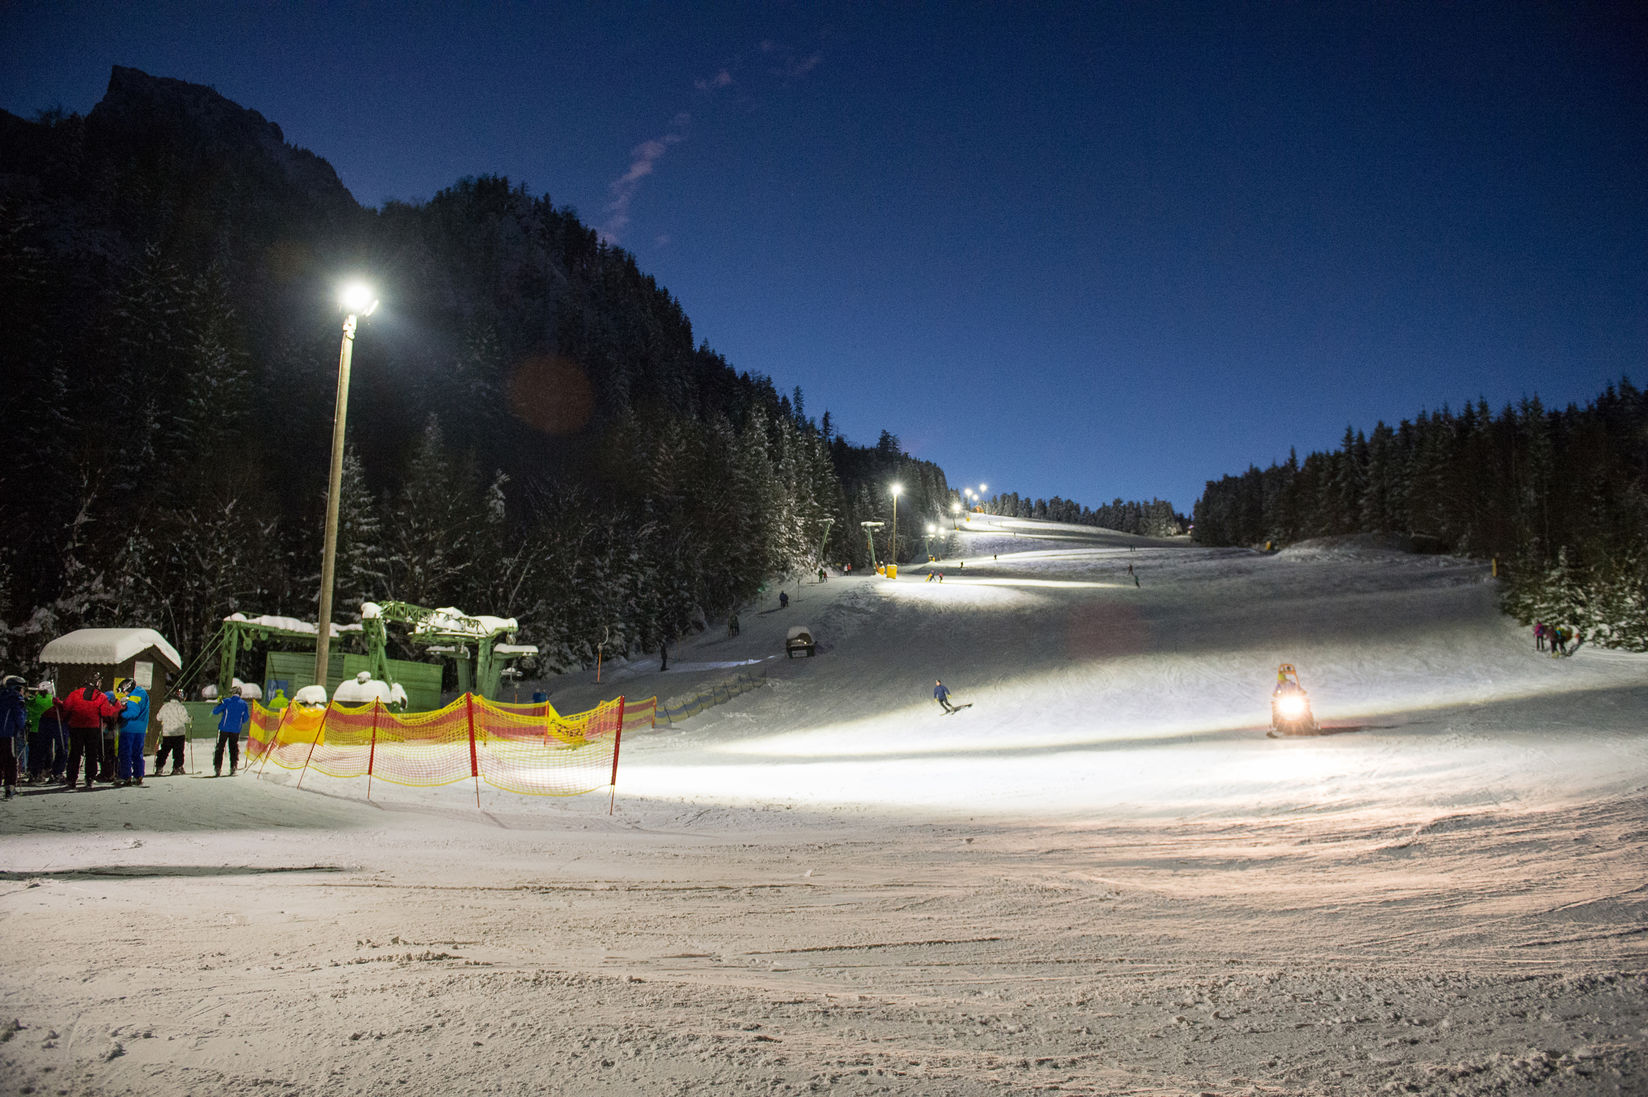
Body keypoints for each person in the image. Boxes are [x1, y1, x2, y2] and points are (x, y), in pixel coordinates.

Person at [60, 675, 117, 788]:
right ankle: (90, 777)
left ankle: (71, 778)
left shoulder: (75, 693)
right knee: (91, 753)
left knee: (75, 753)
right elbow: (105, 712)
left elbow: (66, 707)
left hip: (76, 726)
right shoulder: (100, 696)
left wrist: (66, 719)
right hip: (93, 727)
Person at [114, 677, 151, 787]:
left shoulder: (134, 697)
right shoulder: (142, 694)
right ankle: (138, 775)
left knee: (125, 753)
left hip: (129, 728)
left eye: (124, 690)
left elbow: (133, 712)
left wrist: (121, 715)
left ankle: (125, 776)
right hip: (140, 729)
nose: (124, 693)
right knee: (137, 753)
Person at [32, 686, 68, 785]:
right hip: (57, 721)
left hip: (45, 720)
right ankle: (56, 773)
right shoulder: (53, 701)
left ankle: (36, 773)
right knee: (62, 747)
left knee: (42, 748)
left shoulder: (36, 699)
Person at [212, 684, 250, 776]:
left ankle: (218, 767)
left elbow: (215, 711)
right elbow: (245, 718)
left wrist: (219, 703)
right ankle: (233, 766)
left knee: (220, 747)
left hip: (224, 728)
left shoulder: (227, 701)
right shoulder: (244, 704)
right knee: (233, 748)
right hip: (236, 729)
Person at [23, 680, 56, 783]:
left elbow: (28, 710)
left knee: (34, 753)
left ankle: (33, 773)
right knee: (47, 752)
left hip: (34, 729)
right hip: (48, 730)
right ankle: (47, 770)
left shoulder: (34, 700)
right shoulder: (52, 700)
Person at [0, 675, 26, 800]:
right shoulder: (16, 699)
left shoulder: (2, 696)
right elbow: (19, 718)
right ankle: (10, 787)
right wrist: (23, 726)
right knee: (10, 761)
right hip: (9, 734)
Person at [154, 689, 191, 775]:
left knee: (164, 751)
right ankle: (177, 767)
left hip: (167, 733)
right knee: (178, 752)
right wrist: (190, 719)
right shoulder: (181, 707)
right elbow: (185, 719)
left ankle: (159, 767)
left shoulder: (165, 706)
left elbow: (158, 717)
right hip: (179, 733)